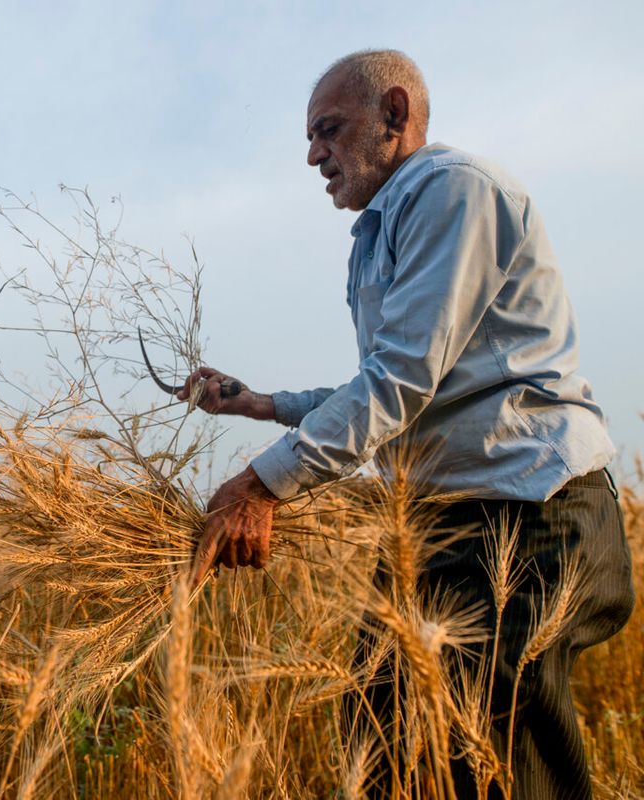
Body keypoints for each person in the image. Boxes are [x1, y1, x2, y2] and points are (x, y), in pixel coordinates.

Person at [177, 49, 634, 798]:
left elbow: (402, 382)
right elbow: (395, 380)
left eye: (328, 130)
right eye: (309, 138)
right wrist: (262, 404)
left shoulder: (452, 192)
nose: (313, 155)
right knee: (388, 739)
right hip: (447, 524)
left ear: (395, 113)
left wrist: (261, 484)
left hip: (525, 517)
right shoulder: (381, 229)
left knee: (489, 764)